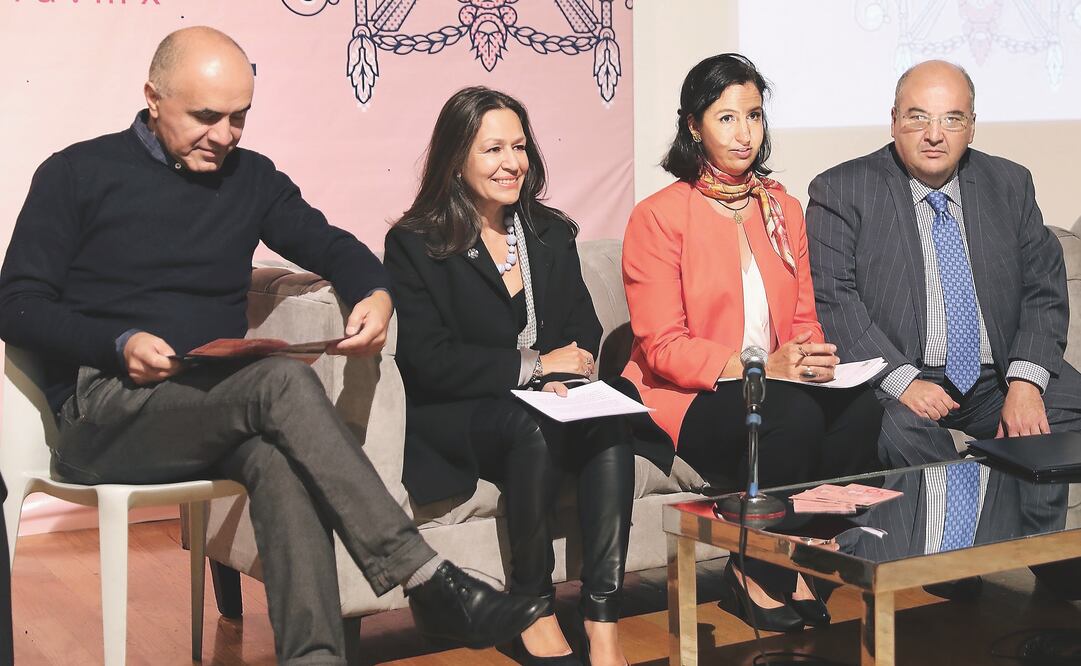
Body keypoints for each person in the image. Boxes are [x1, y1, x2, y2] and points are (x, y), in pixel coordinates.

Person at [0, 27, 545, 665]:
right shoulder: (76, 173)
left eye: (240, 117)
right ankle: (424, 579)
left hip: (206, 401)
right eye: (206, 117)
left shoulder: (250, 179)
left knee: (278, 461)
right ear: (152, 97)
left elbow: (333, 244)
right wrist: (116, 342)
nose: (226, 134)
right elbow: (17, 306)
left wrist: (375, 290)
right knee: (279, 380)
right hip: (104, 410)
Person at [617, 54, 882, 633]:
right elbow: (662, 347)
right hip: (688, 393)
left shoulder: (782, 208)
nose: (745, 134)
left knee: (862, 408)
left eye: (755, 116)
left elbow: (805, 317)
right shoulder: (658, 217)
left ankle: (808, 554)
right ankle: (754, 569)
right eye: (727, 118)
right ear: (693, 126)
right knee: (787, 415)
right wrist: (765, 366)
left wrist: (812, 357)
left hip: (775, 380)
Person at [384, 86, 634, 666]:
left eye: (519, 147)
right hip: (459, 411)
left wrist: (569, 373)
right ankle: (532, 605)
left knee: (611, 413)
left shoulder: (550, 231)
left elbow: (582, 325)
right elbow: (429, 358)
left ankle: (601, 618)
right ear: (456, 159)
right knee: (529, 425)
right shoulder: (415, 243)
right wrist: (535, 369)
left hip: (547, 400)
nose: (511, 163)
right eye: (493, 149)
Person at [805, 59, 1081, 469]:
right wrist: (904, 382)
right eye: (918, 118)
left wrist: (1025, 383)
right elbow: (834, 300)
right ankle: (967, 521)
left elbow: (1044, 287)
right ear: (894, 121)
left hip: (998, 379)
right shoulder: (842, 190)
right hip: (901, 380)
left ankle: (1033, 529)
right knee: (896, 435)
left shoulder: (1009, 183)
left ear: (971, 126)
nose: (934, 135)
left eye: (952, 119)